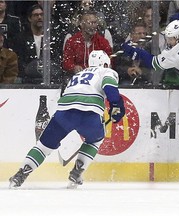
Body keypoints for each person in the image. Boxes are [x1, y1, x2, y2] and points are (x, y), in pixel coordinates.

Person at [122, 11, 179, 182]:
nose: (168, 42)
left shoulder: (175, 54)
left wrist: (133, 51)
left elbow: (153, 63)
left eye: (171, 39)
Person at [9, 50, 125, 189]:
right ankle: (76, 172)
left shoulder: (79, 74)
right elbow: (109, 87)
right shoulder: (106, 72)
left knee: (44, 146)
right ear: (105, 63)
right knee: (95, 140)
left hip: (64, 113)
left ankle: (20, 174)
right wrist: (116, 105)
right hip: (89, 114)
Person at [13, 4, 61, 84]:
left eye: (41, 15)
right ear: (29, 18)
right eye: (36, 15)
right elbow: (19, 60)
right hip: (27, 79)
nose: (39, 17)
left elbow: (56, 59)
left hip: (48, 78)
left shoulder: (52, 38)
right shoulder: (20, 38)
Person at [62, 10, 112, 83]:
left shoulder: (103, 42)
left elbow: (110, 61)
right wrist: (73, 67)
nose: (93, 25)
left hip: (98, 79)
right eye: (90, 23)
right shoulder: (72, 41)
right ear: (82, 25)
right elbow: (66, 62)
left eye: (95, 22)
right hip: (76, 79)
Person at [114, 21, 152, 86]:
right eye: (139, 33)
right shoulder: (123, 48)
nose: (142, 36)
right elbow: (116, 67)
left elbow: (156, 69)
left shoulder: (151, 49)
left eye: (144, 33)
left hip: (145, 81)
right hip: (125, 80)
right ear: (132, 35)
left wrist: (142, 71)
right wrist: (127, 70)